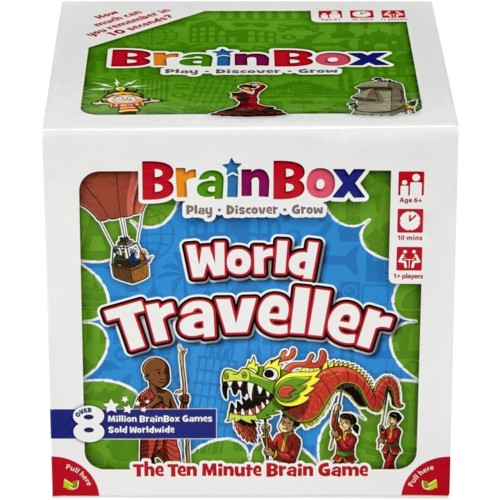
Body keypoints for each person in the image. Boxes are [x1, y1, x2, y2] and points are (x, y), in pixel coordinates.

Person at [135, 357, 190, 462]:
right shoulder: (144, 396)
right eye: (158, 373)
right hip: (150, 437)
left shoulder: (167, 395)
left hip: (168, 437)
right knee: (146, 462)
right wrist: (153, 403)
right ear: (147, 376)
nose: (163, 377)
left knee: (175, 463)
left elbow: (178, 417)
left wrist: (183, 403)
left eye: (166, 373)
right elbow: (136, 416)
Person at [212, 82, 285, 116]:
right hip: (245, 105)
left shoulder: (255, 91)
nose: (244, 88)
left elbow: (263, 86)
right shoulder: (242, 93)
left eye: (246, 87)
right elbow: (238, 96)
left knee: (264, 110)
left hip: (255, 104)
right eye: (243, 87)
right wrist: (236, 97)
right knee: (243, 111)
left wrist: (258, 83)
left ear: (249, 87)